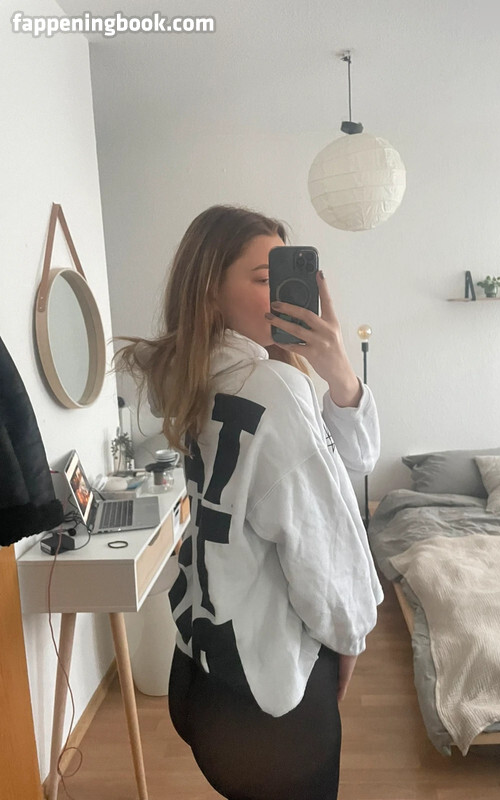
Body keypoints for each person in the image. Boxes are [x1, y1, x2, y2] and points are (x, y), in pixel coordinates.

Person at [115, 205, 383, 800]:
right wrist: (351, 634)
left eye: (287, 277)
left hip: (201, 666)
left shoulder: (186, 377)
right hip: (268, 699)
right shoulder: (274, 388)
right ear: (210, 290)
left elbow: (354, 458)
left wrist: (337, 371)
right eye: (264, 278)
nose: (281, 294)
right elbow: (324, 540)